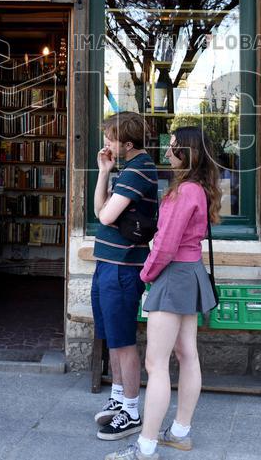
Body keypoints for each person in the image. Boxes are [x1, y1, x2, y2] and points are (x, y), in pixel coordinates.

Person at [106, 127, 221, 460]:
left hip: (173, 276)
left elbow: (166, 245)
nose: (167, 153)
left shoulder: (182, 192)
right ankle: (180, 433)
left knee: (155, 364)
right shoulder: (199, 189)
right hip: (192, 272)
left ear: (187, 153)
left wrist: (146, 275)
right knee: (187, 355)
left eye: (172, 148)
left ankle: (145, 447)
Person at [92, 112, 158, 442]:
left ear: (127, 143)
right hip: (109, 262)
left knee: (123, 342)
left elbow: (105, 216)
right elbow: (98, 210)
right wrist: (104, 172)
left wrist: (109, 183)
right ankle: (118, 398)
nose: (106, 142)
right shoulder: (126, 169)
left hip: (123, 266)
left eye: (110, 137)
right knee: (112, 338)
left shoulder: (138, 170)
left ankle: (130, 411)